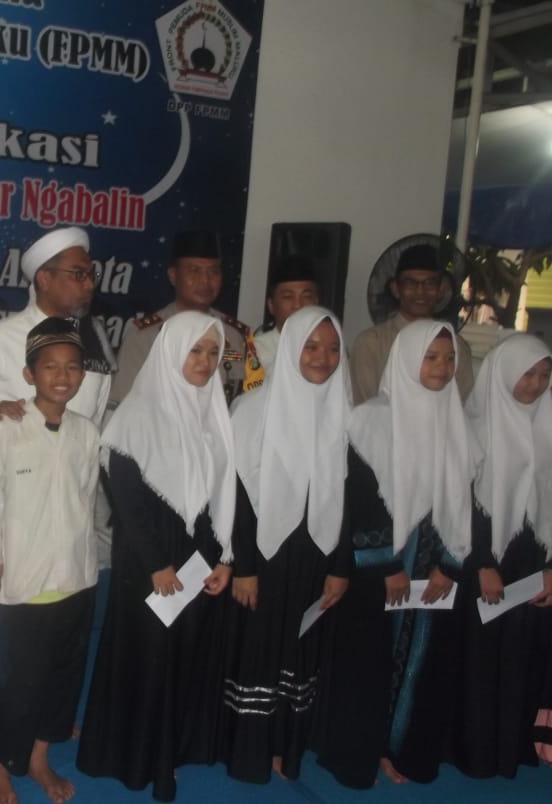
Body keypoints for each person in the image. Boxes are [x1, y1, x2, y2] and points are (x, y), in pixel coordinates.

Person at [77, 312, 235, 802]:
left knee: (188, 653)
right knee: (149, 657)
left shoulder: (213, 409)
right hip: (152, 558)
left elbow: (226, 493)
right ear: (170, 353)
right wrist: (156, 564)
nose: (205, 362)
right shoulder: (137, 414)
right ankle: (142, 758)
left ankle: (176, 748)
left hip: (200, 554)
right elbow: (127, 500)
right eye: (195, 351)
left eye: (213, 352)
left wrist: (225, 557)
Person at [317, 320, 473, 788]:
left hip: (434, 569)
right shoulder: (370, 420)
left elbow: (463, 502)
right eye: (431, 357)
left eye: (449, 358)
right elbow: (359, 499)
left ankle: (404, 752)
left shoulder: (456, 422)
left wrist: (450, 564)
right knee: (368, 666)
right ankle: (360, 756)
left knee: (425, 667)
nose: (442, 368)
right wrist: (386, 564)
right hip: (379, 572)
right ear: (406, 360)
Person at [220, 306, 351, 784]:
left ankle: (285, 748)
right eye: (311, 346)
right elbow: (236, 495)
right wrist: (245, 566)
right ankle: (249, 753)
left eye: (333, 348)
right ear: (291, 347)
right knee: (259, 648)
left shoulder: (342, 411)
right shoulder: (253, 408)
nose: (323, 357)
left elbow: (346, 497)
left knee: (300, 650)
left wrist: (340, 567)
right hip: (265, 554)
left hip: (316, 552)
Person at [0, 318, 99, 804]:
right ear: (29, 374)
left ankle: (38, 757)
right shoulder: (7, 428)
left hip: (76, 578)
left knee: (63, 679)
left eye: (72, 367)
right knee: (23, 683)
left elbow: (86, 498)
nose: (62, 376)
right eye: (50, 366)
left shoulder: (86, 432)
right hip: (24, 581)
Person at [452, 334, 552, 778]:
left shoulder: (548, 425)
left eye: (544, 375)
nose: (535, 385)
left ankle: (511, 747)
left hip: (534, 560)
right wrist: (481, 564)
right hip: (485, 561)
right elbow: (459, 504)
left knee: (522, 655)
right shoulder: (473, 429)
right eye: (527, 374)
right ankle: (477, 752)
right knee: (481, 657)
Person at [0, 227, 113, 429]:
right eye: (79, 274)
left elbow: (97, 420)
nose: (89, 285)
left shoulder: (94, 339)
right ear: (44, 279)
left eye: (92, 275)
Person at [110, 229, 261, 407]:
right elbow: (123, 404)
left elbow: (253, 401)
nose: (205, 281)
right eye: (194, 271)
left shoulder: (236, 335)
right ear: (173, 276)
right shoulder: (145, 336)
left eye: (213, 271)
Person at [350, 243, 474, 404]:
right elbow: (365, 406)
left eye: (430, 283)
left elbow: (462, 405)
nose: (420, 291)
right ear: (396, 289)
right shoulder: (371, 344)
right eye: (410, 283)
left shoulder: (456, 347)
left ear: (441, 290)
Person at [252, 254, 320, 376]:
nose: (298, 305)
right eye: (288, 296)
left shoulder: (330, 350)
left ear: (316, 302)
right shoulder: (255, 351)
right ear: (271, 305)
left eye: (306, 296)